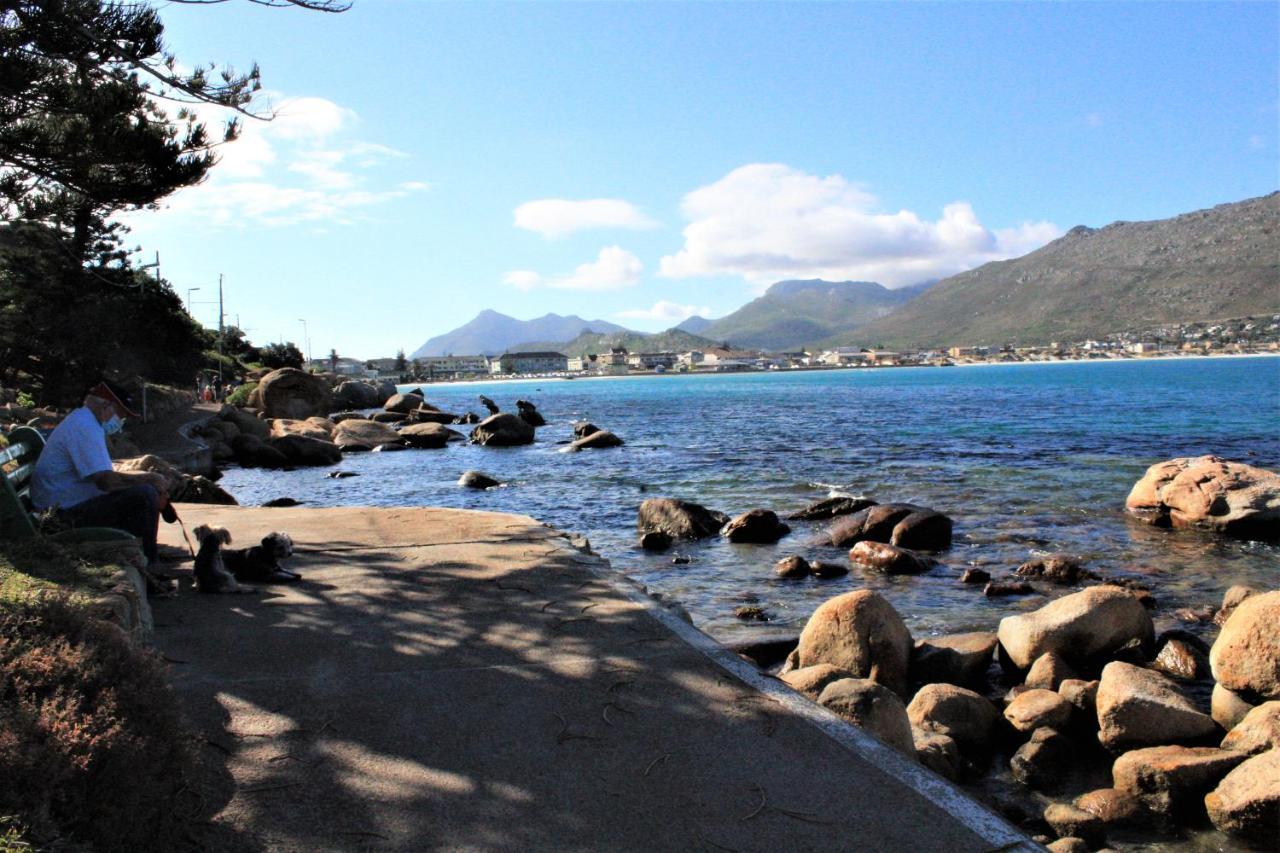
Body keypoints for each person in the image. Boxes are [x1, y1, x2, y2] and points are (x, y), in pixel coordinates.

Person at [30, 380, 166, 567]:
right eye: (121, 414)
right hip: (61, 516)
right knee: (145, 495)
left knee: (143, 492)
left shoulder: (85, 422)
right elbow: (106, 482)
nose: (121, 421)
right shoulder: (84, 427)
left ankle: (143, 555)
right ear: (106, 406)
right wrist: (148, 479)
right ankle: (150, 565)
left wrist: (145, 480)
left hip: (62, 506)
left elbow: (103, 476)